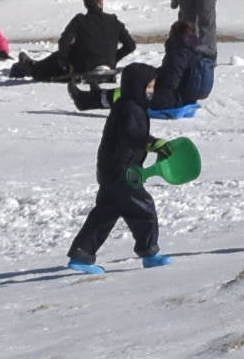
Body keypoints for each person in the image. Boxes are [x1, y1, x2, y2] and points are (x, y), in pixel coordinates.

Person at [67, 63, 171, 277]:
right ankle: (149, 253)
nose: (151, 92)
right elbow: (132, 137)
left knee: (105, 213)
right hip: (121, 172)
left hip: (112, 170)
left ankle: (81, 255)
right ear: (136, 86)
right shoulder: (129, 109)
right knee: (144, 208)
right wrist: (153, 143)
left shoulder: (131, 105)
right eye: (148, 87)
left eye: (153, 87)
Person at [147, 17, 214, 117]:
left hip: (175, 100)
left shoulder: (178, 53)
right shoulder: (197, 51)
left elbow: (170, 82)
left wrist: (152, 81)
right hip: (189, 98)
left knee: (137, 94)